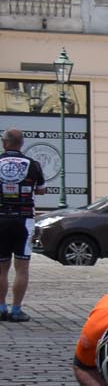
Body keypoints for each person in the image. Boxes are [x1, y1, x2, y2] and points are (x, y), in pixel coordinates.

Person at [0, 129, 46, 322]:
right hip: (24, 219)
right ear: (21, 144)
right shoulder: (33, 165)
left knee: (1, 268)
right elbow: (42, 190)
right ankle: (16, 309)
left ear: (5, 143)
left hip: (1, 217)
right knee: (22, 267)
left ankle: (1, 308)